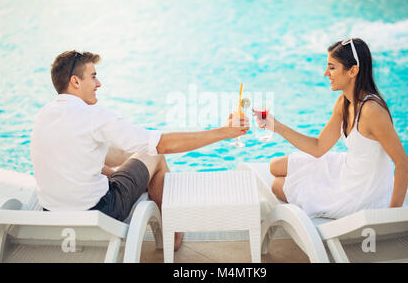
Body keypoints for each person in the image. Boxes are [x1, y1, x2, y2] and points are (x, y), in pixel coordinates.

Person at [31, 50, 249, 251]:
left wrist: (127, 166)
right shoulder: (93, 116)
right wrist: (223, 132)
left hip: (52, 214)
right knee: (154, 154)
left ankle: (145, 185)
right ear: (75, 81)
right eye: (93, 76)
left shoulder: (43, 116)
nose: (99, 83)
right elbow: (160, 144)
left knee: (133, 157)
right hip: (100, 211)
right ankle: (171, 236)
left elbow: (89, 156)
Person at [253, 38, 408, 219]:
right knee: (275, 167)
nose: (326, 73)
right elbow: (319, 147)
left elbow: (403, 164)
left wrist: (393, 215)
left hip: (360, 191)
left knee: (277, 186)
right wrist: (277, 126)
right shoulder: (344, 101)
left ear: (353, 71)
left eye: (332, 67)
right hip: (346, 168)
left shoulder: (372, 111)